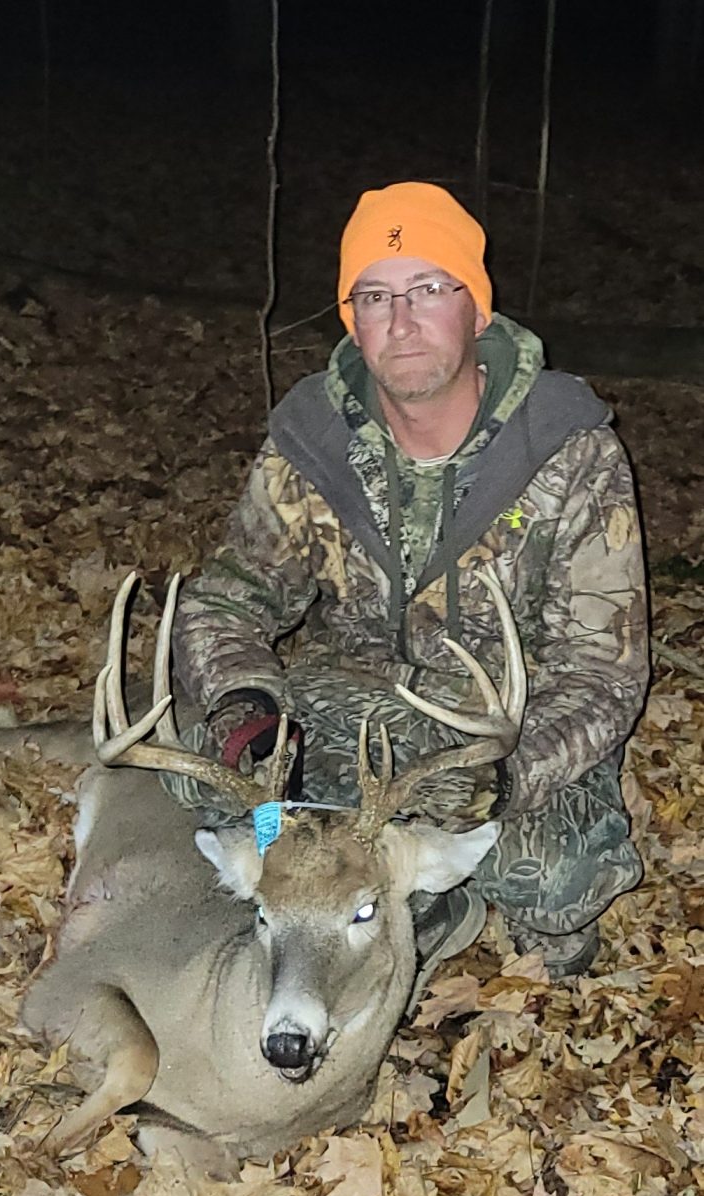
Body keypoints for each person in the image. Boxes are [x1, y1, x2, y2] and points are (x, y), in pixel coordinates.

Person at [168, 182, 649, 978]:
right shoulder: (312, 440)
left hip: (504, 722)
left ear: (476, 309)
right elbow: (228, 597)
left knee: (550, 880)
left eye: (428, 289)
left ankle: (439, 906)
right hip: (349, 702)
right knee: (210, 788)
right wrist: (245, 701)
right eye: (374, 297)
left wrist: (507, 773)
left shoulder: (569, 452)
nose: (401, 321)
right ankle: (334, 909)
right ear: (351, 321)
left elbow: (604, 671)